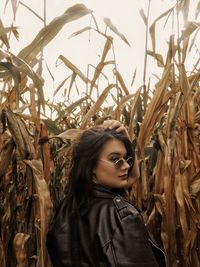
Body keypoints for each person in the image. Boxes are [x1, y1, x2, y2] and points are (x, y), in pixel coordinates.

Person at [46, 120, 166, 267]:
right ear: (91, 166)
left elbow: (134, 176)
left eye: (125, 158)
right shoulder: (123, 216)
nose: (126, 165)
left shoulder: (64, 210)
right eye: (115, 159)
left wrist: (126, 138)